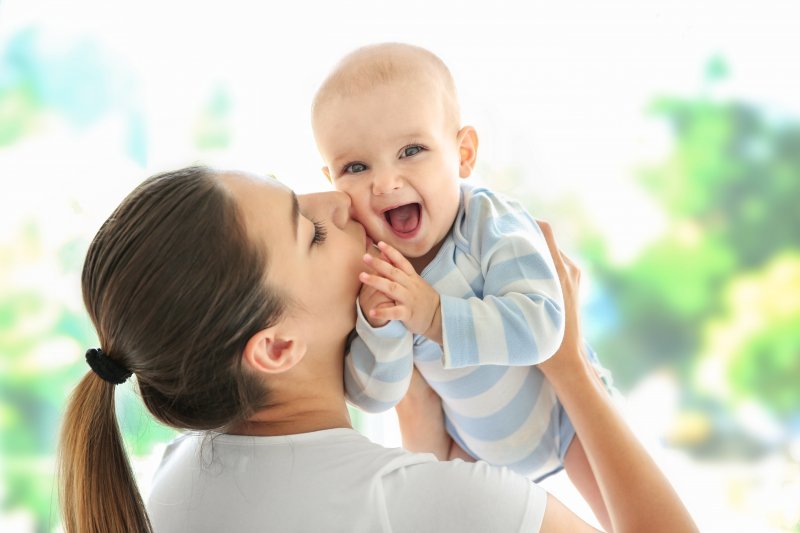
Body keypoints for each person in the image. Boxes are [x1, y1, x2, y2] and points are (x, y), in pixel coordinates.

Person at [58, 165, 697, 532]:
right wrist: (569, 366)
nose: (338, 201)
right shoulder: (430, 504)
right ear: (277, 347)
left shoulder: (176, 480)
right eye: (309, 232)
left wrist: (415, 404)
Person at [311, 42, 612, 527]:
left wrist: (431, 316)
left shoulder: (490, 223)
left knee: (622, 514)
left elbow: (543, 327)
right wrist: (379, 324)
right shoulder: (373, 270)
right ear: (331, 181)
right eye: (357, 167)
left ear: (463, 153)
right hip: (471, 449)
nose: (385, 182)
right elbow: (377, 396)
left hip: (564, 418)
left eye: (411, 151)